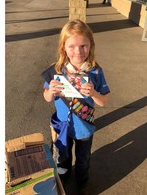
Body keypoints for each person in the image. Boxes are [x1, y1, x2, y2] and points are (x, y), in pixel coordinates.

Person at [42, 19, 110, 194]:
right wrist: (51, 91)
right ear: (63, 46)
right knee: (63, 157)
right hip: (62, 127)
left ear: (91, 45)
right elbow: (47, 97)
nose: (78, 52)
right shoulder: (56, 70)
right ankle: (63, 179)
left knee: (83, 159)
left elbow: (103, 101)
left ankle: (82, 181)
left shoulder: (95, 71)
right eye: (72, 46)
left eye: (83, 46)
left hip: (84, 128)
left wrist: (94, 93)